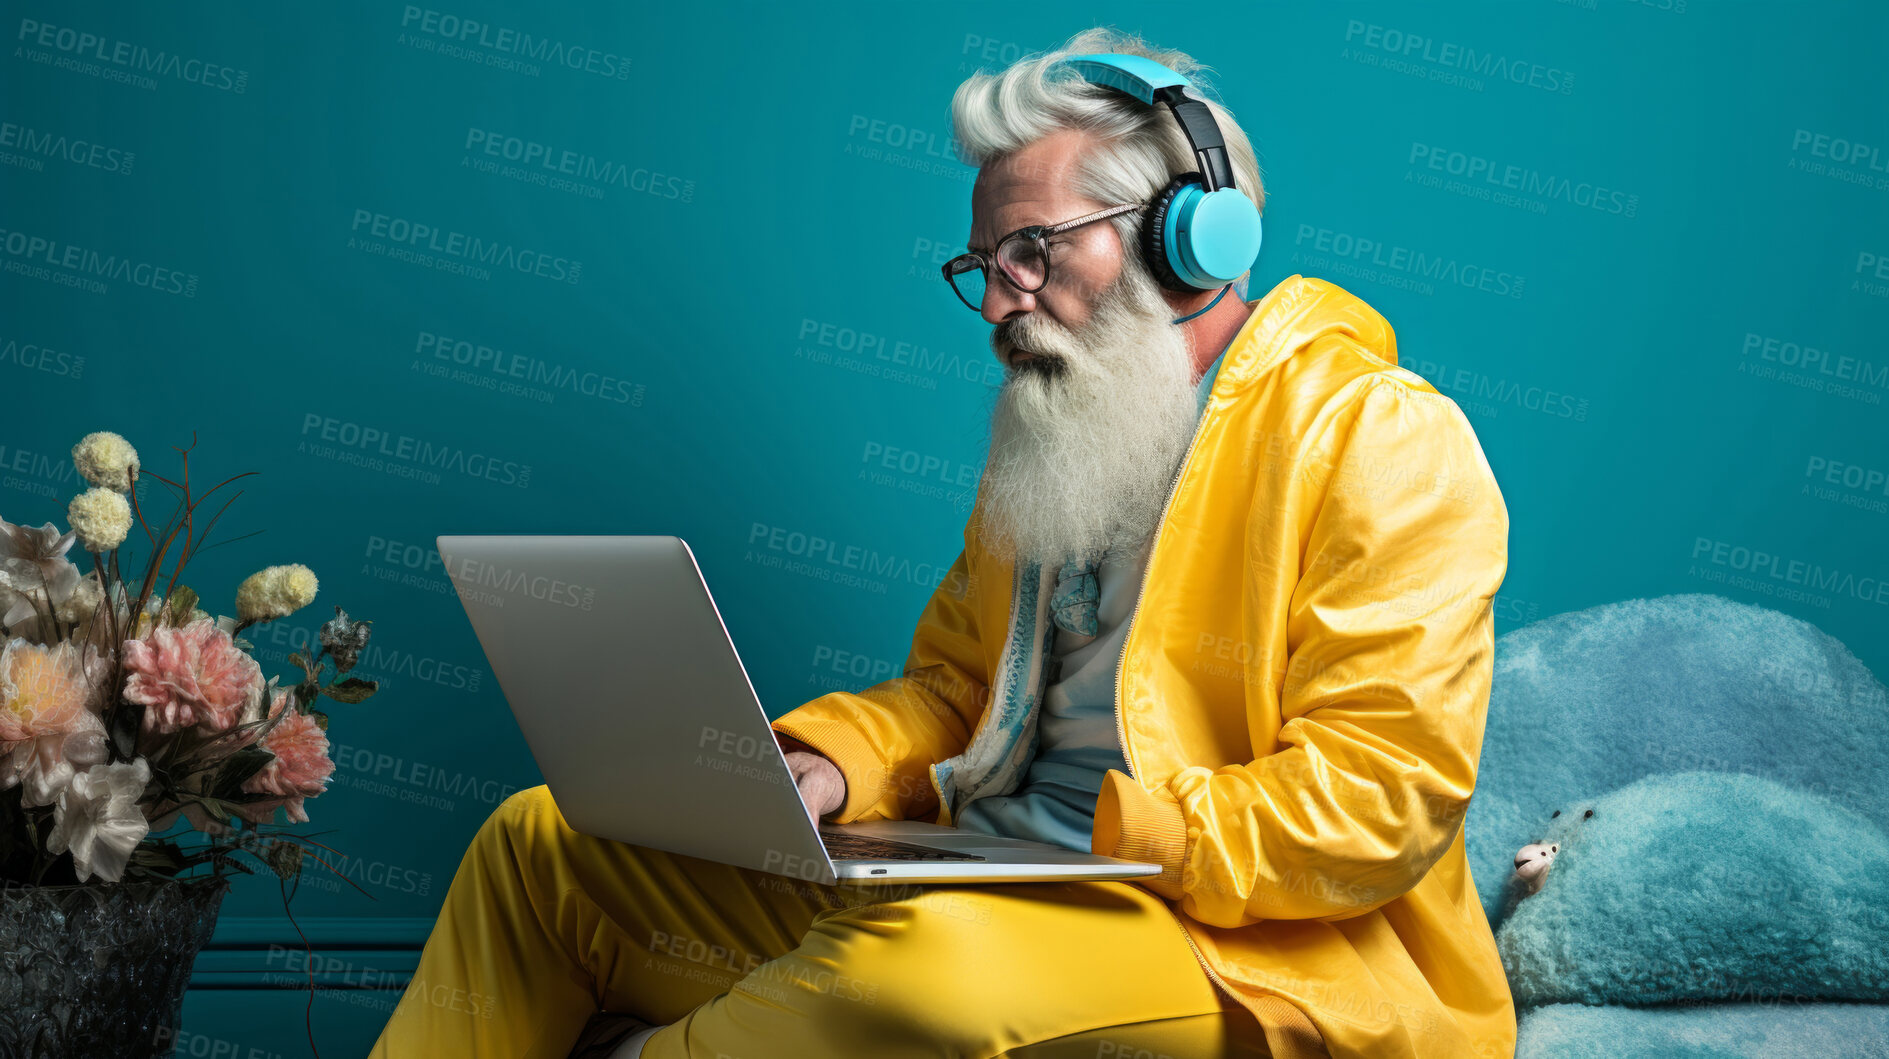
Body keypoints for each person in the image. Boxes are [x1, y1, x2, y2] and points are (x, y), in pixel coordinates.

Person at [371, 26, 1515, 1059]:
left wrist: (1118, 828)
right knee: (541, 844)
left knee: (919, 971)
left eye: (1031, 252)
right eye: (982, 267)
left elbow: (1379, 800)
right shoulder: (1064, 433)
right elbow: (957, 691)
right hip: (986, 880)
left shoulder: (1377, 436)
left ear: (1187, 240)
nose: (997, 305)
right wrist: (828, 765)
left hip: (1243, 953)